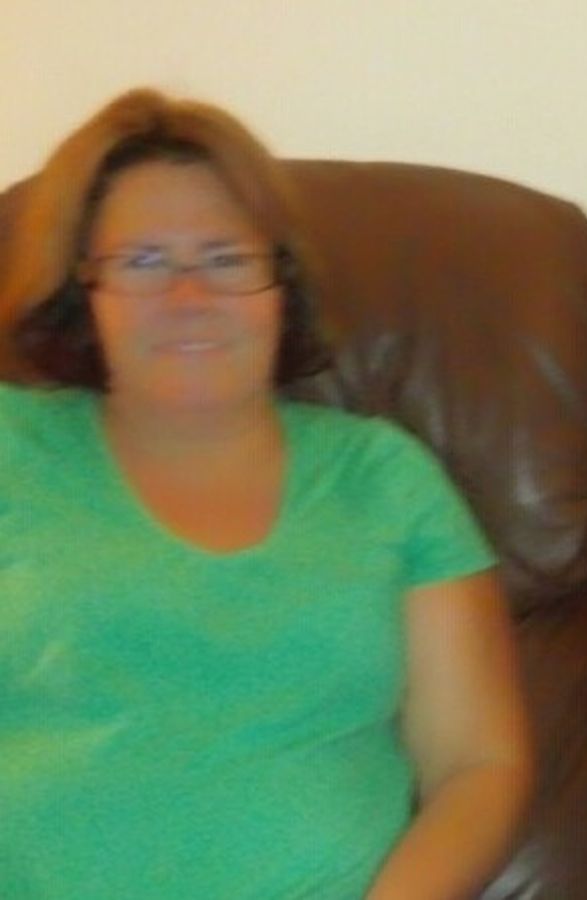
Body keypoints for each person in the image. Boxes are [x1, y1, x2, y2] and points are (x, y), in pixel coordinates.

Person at [0, 89, 532, 899]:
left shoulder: (382, 478)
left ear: (280, 284)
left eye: (225, 259)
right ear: (85, 289)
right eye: (143, 262)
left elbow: (478, 764)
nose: (188, 299)